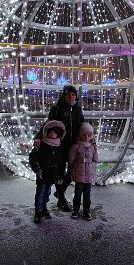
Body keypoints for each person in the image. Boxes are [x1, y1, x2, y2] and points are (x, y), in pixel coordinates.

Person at [33, 84, 85, 212]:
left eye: (73, 94)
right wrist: (39, 136)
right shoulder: (57, 108)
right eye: (68, 94)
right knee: (59, 174)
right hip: (59, 146)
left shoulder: (78, 109)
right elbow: (49, 124)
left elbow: (83, 125)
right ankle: (61, 199)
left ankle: (60, 193)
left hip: (74, 145)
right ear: (63, 95)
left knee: (72, 171)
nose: (71, 96)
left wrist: (91, 141)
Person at [29, 120, 66, 224]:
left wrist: (59, 175)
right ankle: (38, 211)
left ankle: (44, 206)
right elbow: (33, 157)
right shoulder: (41, 143)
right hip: (43, 173)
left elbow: (60, 161)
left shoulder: (59, 145)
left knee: (47, 192)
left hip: (52, 174)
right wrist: (37, 169)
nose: (52, 134)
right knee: (40, 192)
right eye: (50, 131)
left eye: (55, 132)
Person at [68, 122, 98, 221]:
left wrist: (95, 151)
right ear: (80, 135)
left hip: (89, 174)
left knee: (87, 195)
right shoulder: (76, 147)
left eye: (89, 135)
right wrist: (74, 168)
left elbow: (96, 160)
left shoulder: (92, 147)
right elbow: (71, 159)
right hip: (79, 174)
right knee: (77, 194)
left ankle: (86, 211)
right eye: (84, 135)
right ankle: (76, 210)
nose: (86, 137)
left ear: (91, 136)